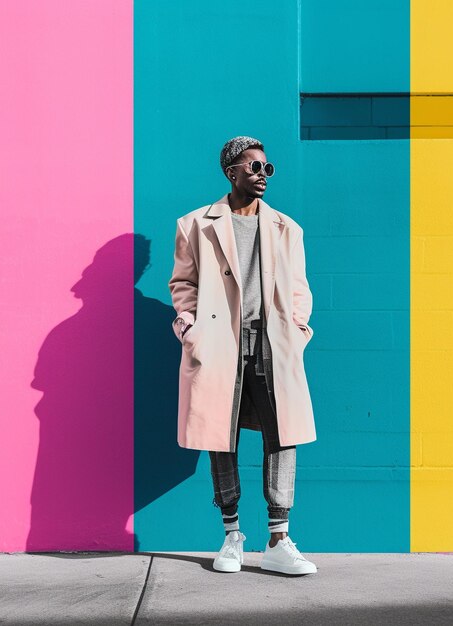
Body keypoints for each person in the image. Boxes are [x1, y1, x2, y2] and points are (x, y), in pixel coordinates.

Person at [168, 136, 317, 575]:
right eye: (254, 168)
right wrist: (189, 328)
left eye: (267, 169)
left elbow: (298, 289)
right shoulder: (195, 224)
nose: (262, 176)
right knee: (221, 435)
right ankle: (232, 535)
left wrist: (298, 330)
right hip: (219, 343)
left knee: (282, 434)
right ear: (231, 172)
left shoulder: (287, 228)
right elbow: (183, 285)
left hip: (272, 343)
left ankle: (279, 537)